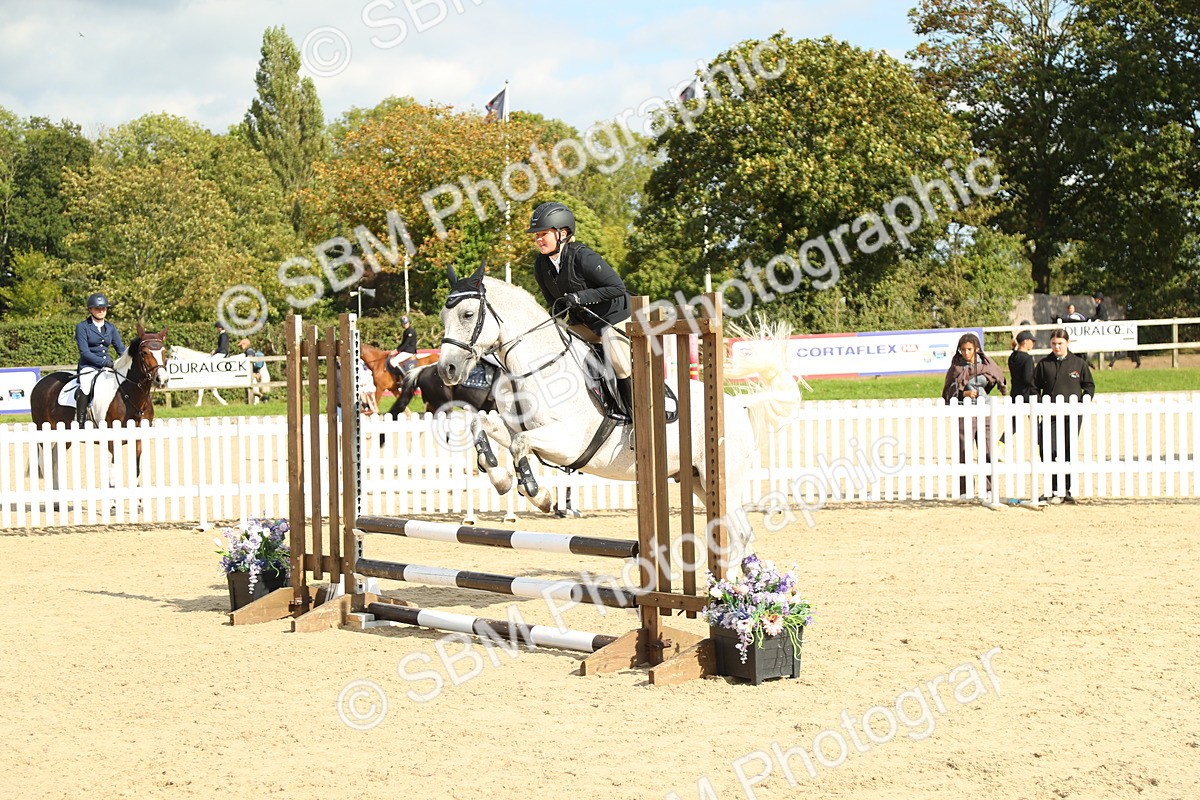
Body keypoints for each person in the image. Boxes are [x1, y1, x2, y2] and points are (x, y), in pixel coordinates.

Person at [526, 200, 634, 416]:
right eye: (536, 235)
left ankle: (636, 416)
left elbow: (617, 287)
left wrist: (579, 297)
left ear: (562, 233)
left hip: (614, 317)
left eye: (543, 234)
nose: (538, 239)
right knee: (560, 347)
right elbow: (555, 305)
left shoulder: (584, 257)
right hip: (585, 323)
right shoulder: (541, 265)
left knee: (619, 361)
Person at [941, 333, 1007, 499]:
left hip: (984, 410)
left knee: (987, 451)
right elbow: (948, 390)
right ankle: (965, 490)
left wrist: (987, 385)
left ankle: (988, 489)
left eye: (969, 349)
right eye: (963, 350)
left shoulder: (986, 364)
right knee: (964, 451)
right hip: (964, 411)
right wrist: (963, 393)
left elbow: (997, 377)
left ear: (976, 349)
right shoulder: (956, 367)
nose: (966, 353)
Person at [1033, 329, 1095, 504]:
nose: (1057, 347)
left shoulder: (1079, 363)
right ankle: (1052, 489)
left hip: (1071, 415)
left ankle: (1066, 490)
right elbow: (1034, 387)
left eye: (1060, 343)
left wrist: (1085, 400)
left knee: (1068, 450)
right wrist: (1039, 403)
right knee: (1047, 450)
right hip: (1050, 415)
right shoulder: (1044, 364)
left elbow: (1089, 385)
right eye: (1053, 344)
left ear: (1067, 343)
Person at [74, 292, 126, 426]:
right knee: (85, 386)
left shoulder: (110, 327)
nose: (101, 311)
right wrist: (105, 363)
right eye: (97, 308)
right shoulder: (83, 327)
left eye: (104, 308)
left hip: (107, 366)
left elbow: (120, 349)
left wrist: (129, 358)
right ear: (90, 309)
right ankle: (81, 420)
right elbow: (84, 352)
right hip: (89, 366)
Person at [198, 322, 231, 406]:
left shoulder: (223, 335)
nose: (216, 329)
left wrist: (215, 351)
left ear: (220, 328)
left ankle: (209, 372)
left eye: (217, 328)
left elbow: (222, 347)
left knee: (209, 362)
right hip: (222, 353)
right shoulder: (224, 335)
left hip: (222, 353)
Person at [238, 338, 269, 403]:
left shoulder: (249, 351)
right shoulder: (250, 351)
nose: (241, 347)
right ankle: (262, 399)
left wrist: (256, 372)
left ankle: (262, 398)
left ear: (245, 345)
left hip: (255, 371)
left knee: (252, 386)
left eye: (241, 345)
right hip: (258, 370)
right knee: (255, 386)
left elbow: (251, 362)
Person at [1089, 292, 1110, 369]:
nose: (1095, 300)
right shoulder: (1098, 305)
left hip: (1102, 321)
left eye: (1096, 298)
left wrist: (1092, 318)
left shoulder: (1100, 306)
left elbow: (1100, 315)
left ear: (1099, 299)